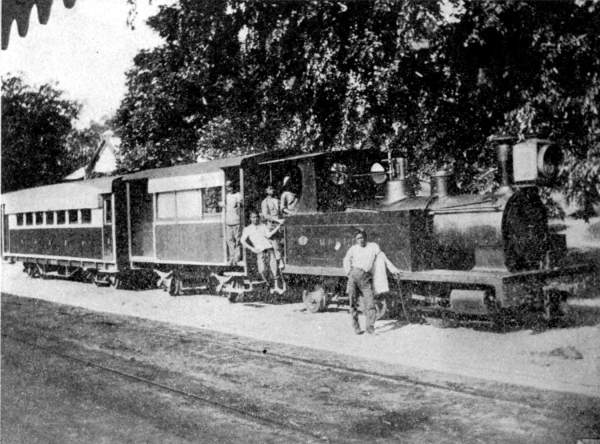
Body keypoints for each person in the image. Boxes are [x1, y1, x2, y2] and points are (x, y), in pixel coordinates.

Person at [342, 229, 399, 335]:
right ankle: (356, 328)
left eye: (362, 237)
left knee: (370, 303)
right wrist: (348, 272)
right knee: (352, 303)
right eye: (358, 238)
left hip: (365, 277)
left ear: (366, 237)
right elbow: (346, 259)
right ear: (356, 240)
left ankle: (370, 328)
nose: (360, 240)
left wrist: (393, 269)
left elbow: (383, 257)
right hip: (353, 275)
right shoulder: (353, 249)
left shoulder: (373, 246)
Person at [240, 211, 281, 291]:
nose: (255, 219)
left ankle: (276, 287)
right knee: (261, 270)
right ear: (250, 218)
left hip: (269, 249)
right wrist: (252, 249)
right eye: (253, 217)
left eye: (256, 217)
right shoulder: (247, 229)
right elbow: (242, 240)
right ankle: (269, 285)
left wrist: (277, 228)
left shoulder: (263, 226)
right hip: (260, 251)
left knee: (274, 268)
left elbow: (268, 235)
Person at [261, 185, 284, 268]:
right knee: (275, 243)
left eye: (273, 188)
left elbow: (281, 211)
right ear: (266, 190)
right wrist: (278, 221)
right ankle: (280, 260)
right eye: (270, 188)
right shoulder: (265, 202)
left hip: (280, 224)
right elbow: (266, 215)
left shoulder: (277, 200)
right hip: (272, 225)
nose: (272, 190)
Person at [224, 180, 242, 265]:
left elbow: (240, 206)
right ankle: (232, 257)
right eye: (228, 186)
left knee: (237, 240)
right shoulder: (226, 196)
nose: (229, 188)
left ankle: (237, 258)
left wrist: (239, 205)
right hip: (228, 222)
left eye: (231, 186)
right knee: (230, 240)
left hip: (236, 221)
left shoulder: (238, 195)